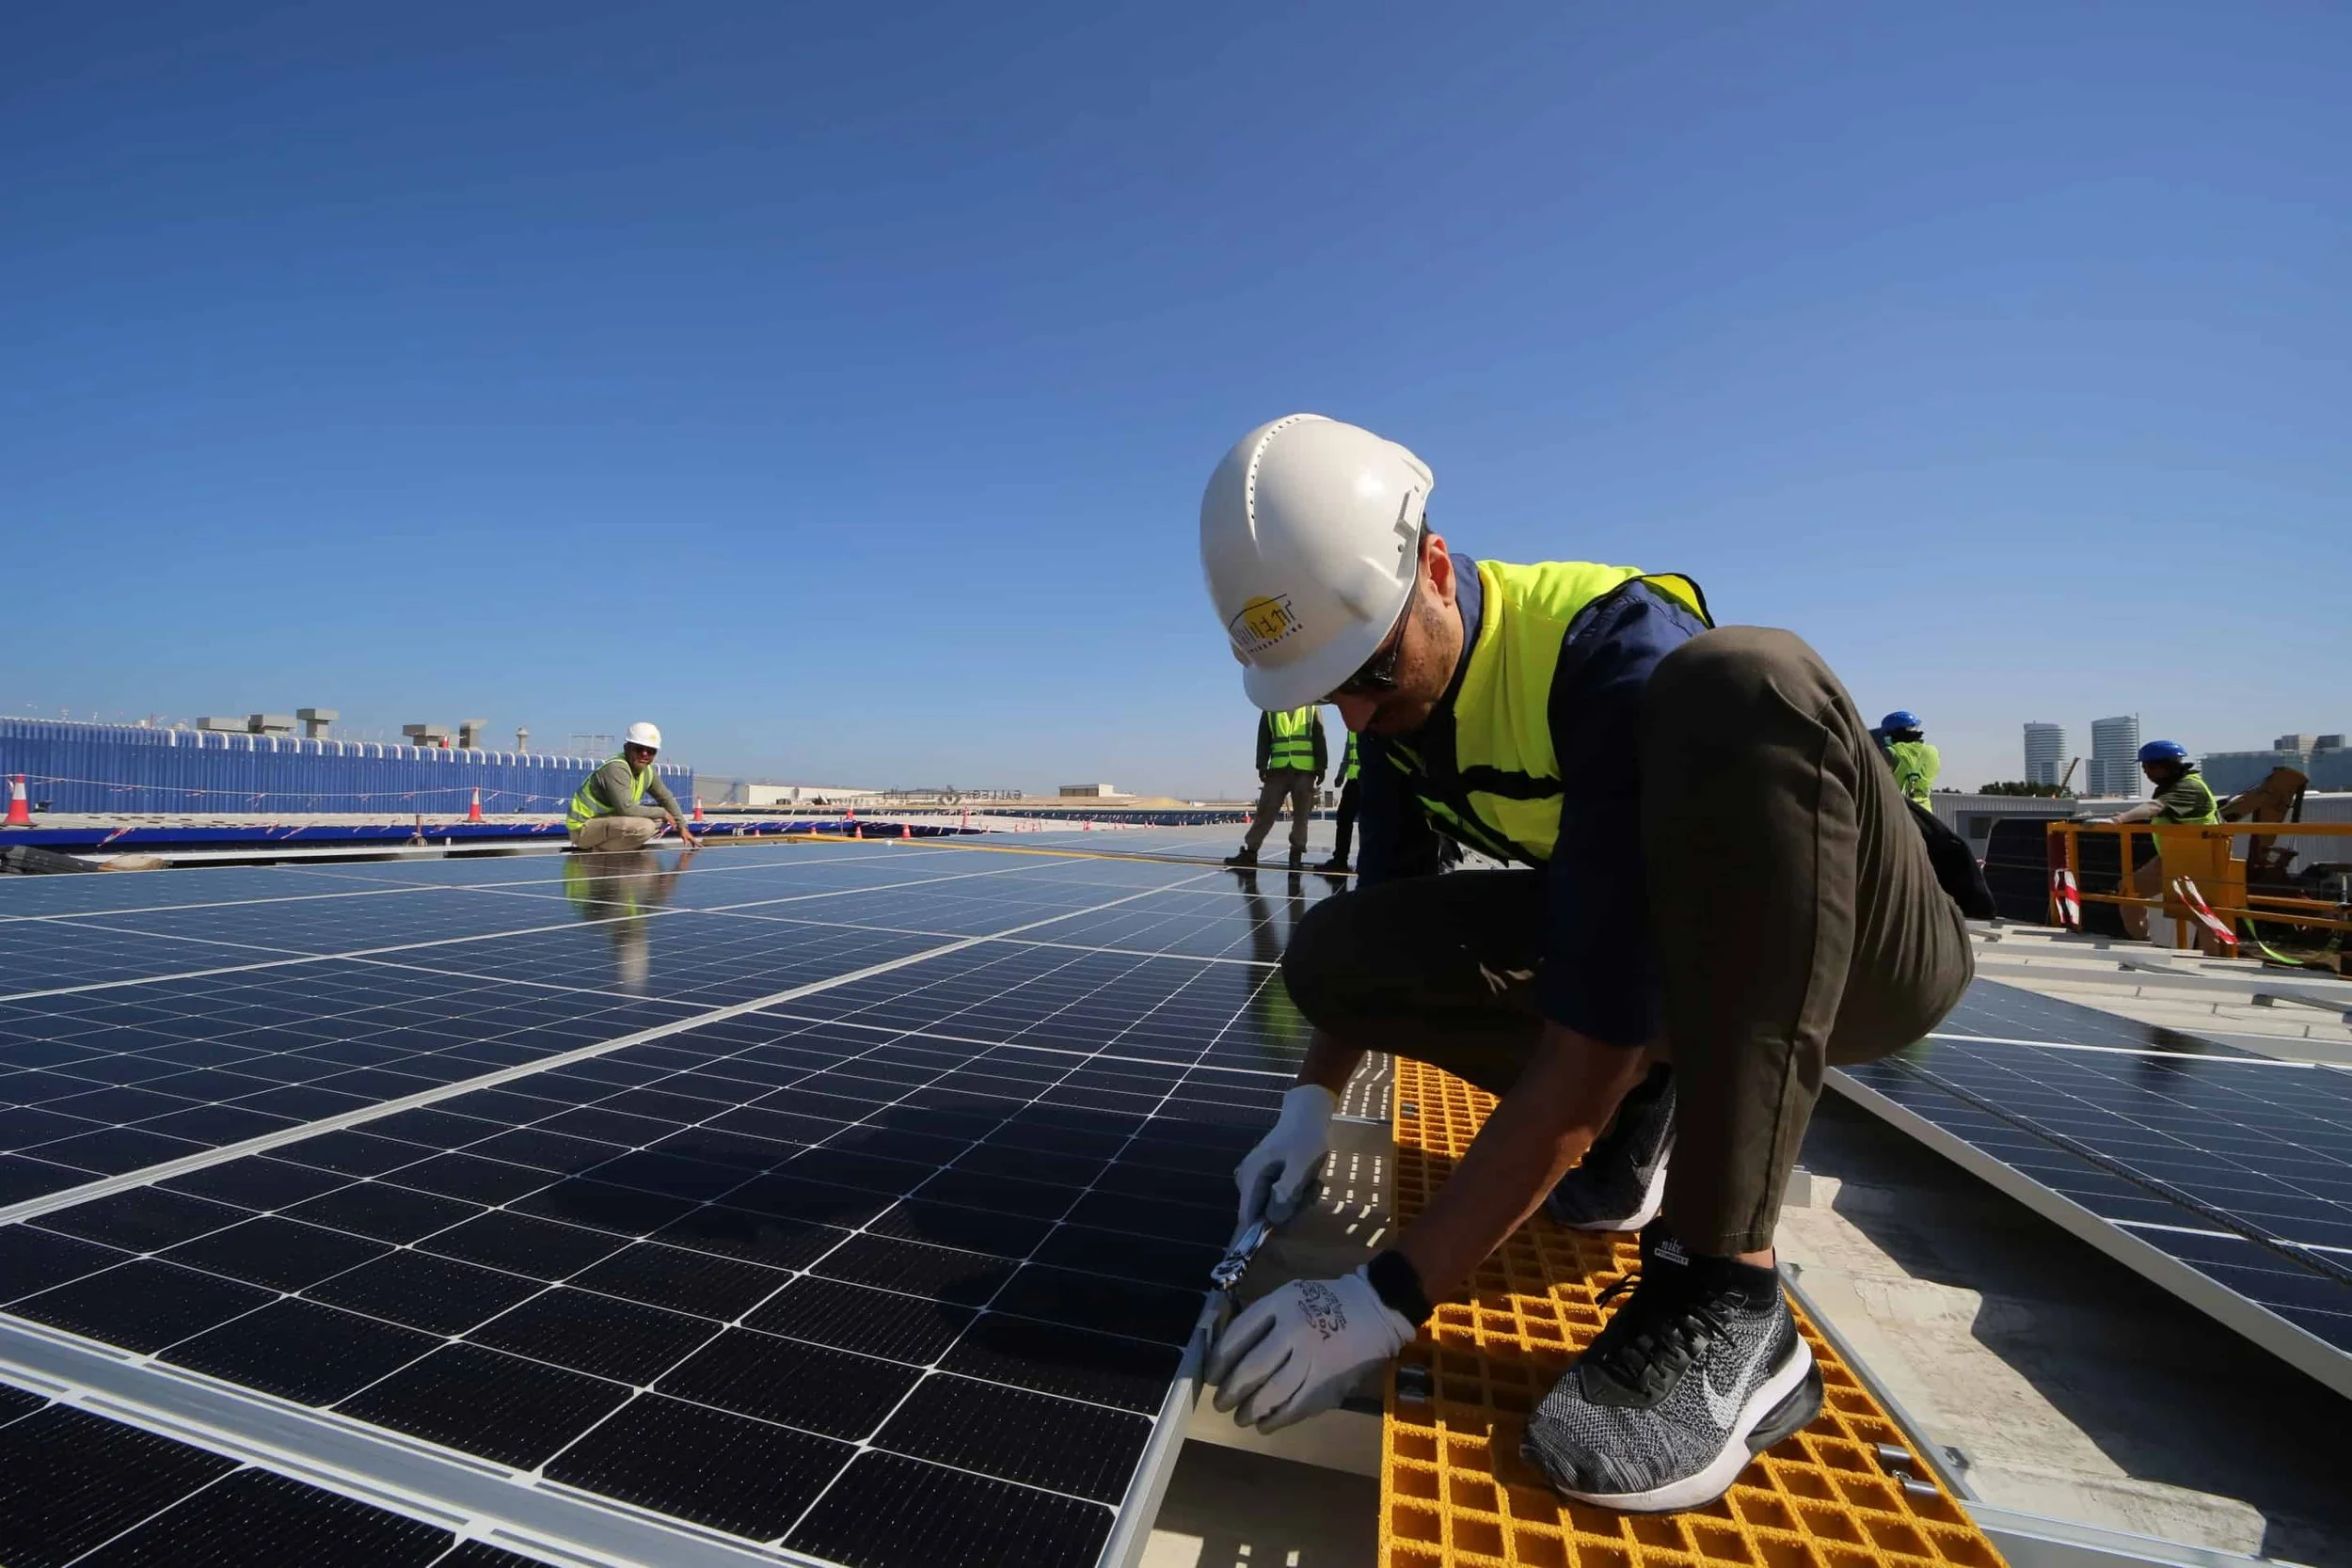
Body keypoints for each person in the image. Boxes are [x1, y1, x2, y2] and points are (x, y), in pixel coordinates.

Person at [1194, 415, 1983, 1513]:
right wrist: (1309, 1103)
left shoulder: (1612, 650)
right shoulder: (1389, 718)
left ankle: (1731, 1293)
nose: (1359, 711)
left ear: (1432, 568)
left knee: (1748, 674)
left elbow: (1602, 1015)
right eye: (1326, 692)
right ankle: (1632, 1126)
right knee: (1334, 955)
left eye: (1370, 667)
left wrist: (1389, 1293)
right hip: (1682, 949)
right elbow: (1389, 920)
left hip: (1864, 958)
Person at [2100, 739, 2220, 942]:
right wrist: (2129, 815)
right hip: (2173, 856)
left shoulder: (2189, 787)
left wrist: (2118, 820)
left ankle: (2216, 960)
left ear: (2167, 765)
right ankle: (2142, 943)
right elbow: (2164, 814)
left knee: (2196, 911)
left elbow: (2156, 807)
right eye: (2144, 767)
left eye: (2149, 767)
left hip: (2200, 858)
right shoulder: (2170, 786)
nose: (2145, 772)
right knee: (2130, 891)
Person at [565, 721, 700, 850]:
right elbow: (626, 809)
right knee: (646, 826)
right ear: (627, 748)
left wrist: (683, 827)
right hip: (582, 828)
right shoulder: (616, 768)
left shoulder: (647, 772)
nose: (645, 754)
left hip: (605, 822)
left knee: (660, 820)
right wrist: (663, 812)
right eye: (639, 749)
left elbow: (666, 798)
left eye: (651, 751)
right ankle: (599, 851)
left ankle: (617, 847)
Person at [1226, 705, 1327, 869]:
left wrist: (1321, 765)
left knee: (1301, 815)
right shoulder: (1271, 706)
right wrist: (1261, 764)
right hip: (1277, 770)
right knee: (1266, 810)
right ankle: (1251, 852)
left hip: (1305, 769)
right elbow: (1263, 737)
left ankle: (1296, 854)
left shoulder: (1311, 707)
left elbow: (1319, 736)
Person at [1874, 710, 1939, 808]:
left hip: (1899, 811)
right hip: (1925, 811)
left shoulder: (1891, 752)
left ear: (1896, 733)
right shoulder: (1933, 751)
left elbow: (1875, 781)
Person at [1317, 731, 1361, 873]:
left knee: (1368, 822)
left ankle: (1367, 862)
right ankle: (1340, 860)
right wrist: (1341, 774)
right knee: (1343, 819)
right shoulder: (1352, 727)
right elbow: (1348, 752)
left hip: (1371, 778)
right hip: (1353, 780)